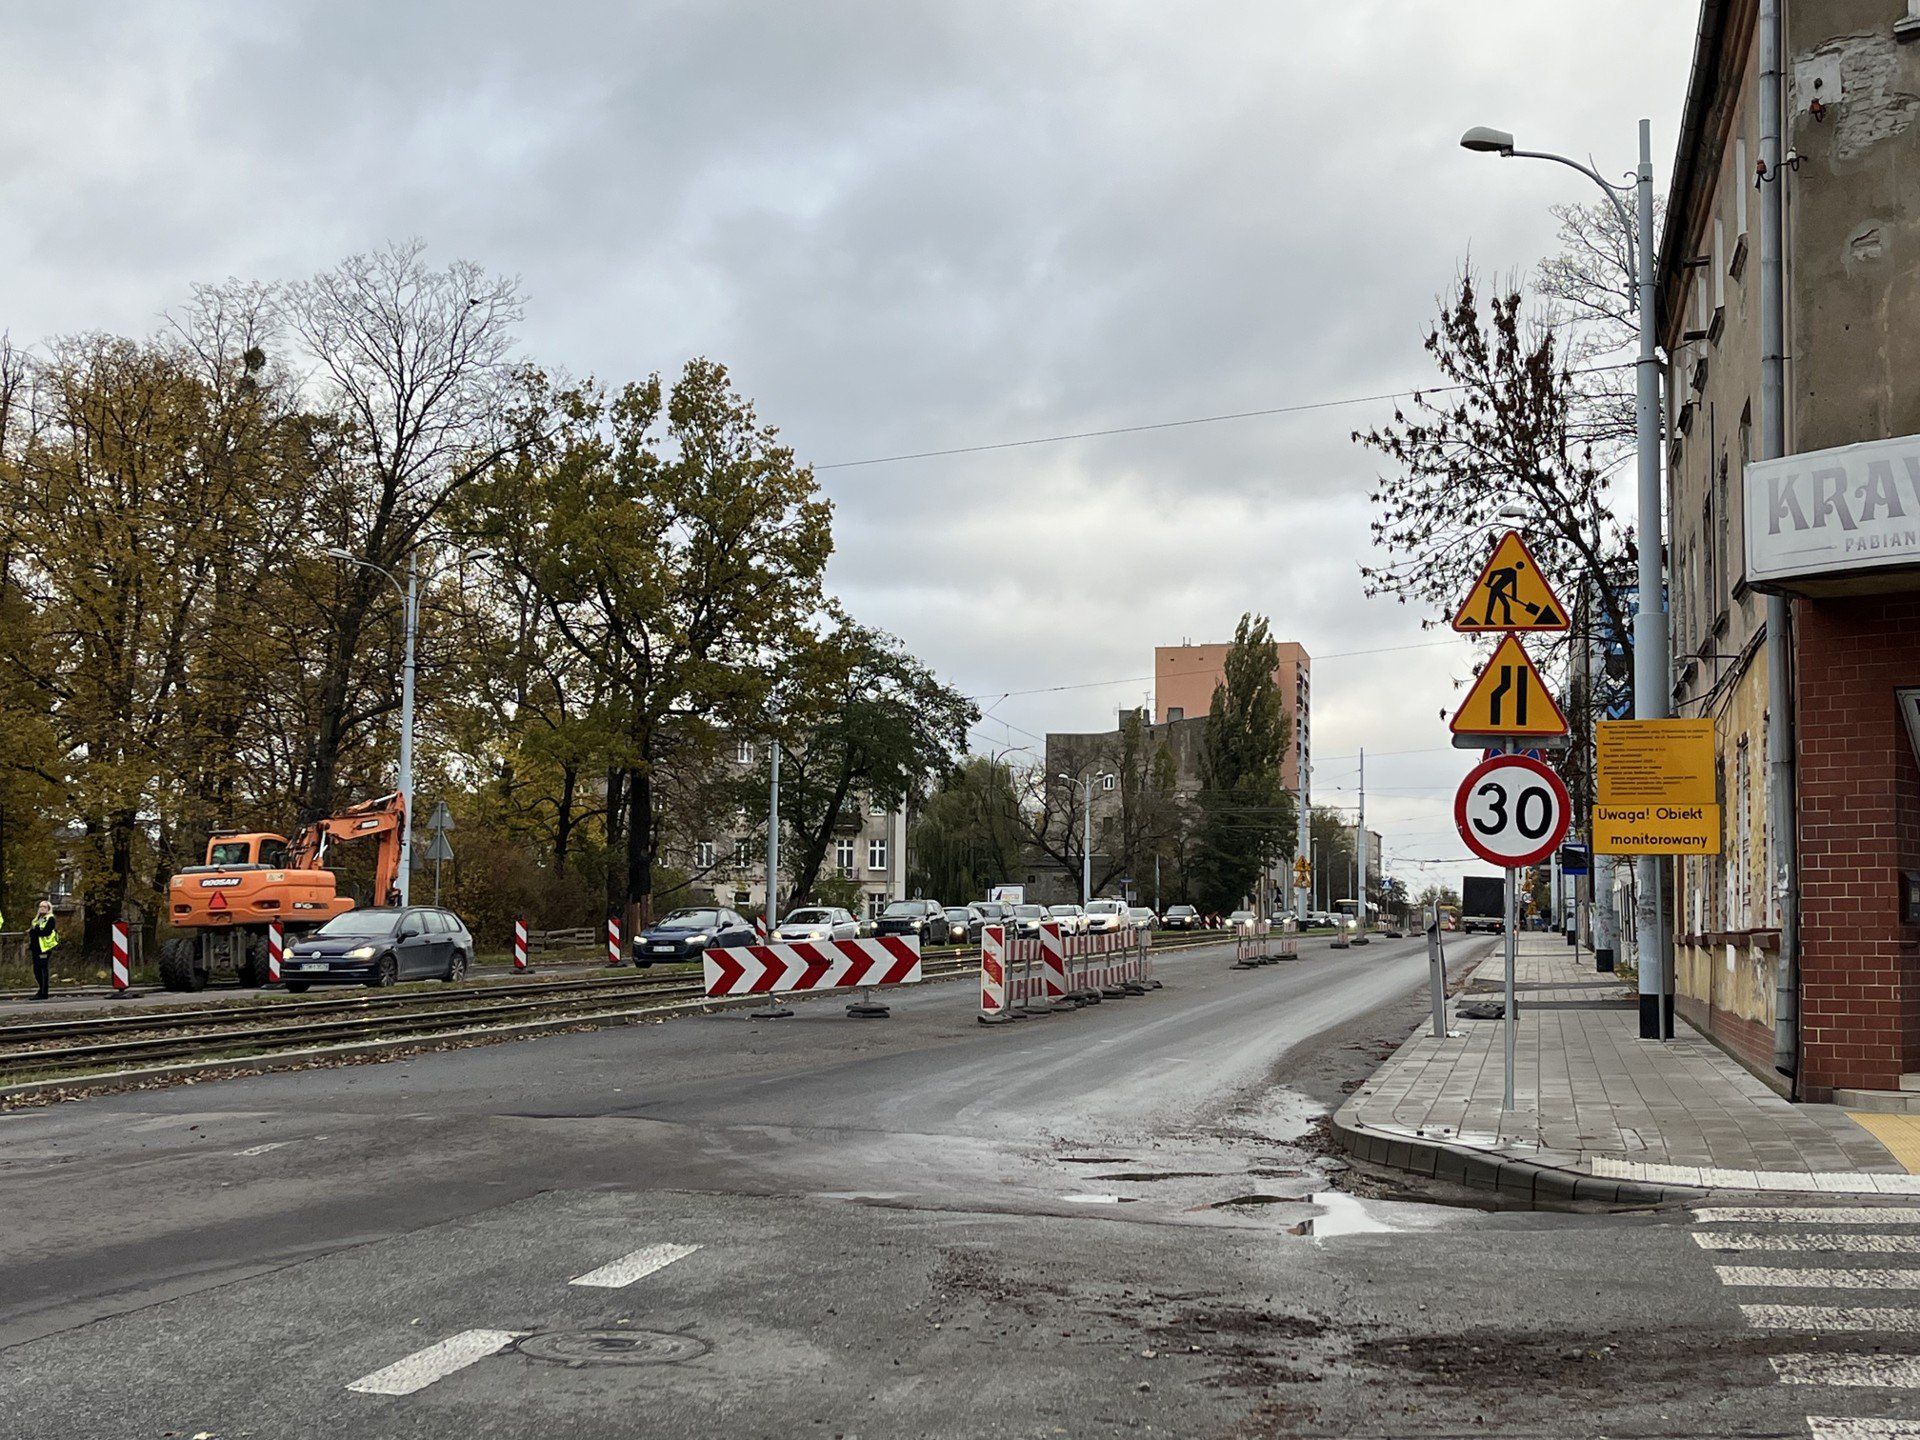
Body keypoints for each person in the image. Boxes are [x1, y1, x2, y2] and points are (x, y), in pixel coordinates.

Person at [28, 900, 59, 1001]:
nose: (42, 908)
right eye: (40, 906)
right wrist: (34, 931)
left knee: (42, 969)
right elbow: (33, 930)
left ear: (48, 909)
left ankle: (43, 992)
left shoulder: (50, 918)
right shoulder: (39, 919)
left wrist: (35, 931)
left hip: (44, 948)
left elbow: (45, 932)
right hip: (36, 947)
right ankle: (41, 989)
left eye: (44, 907)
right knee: (36, 969)